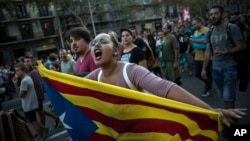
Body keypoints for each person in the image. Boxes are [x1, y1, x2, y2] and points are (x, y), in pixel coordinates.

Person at [85, 32, 246, 128]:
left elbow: (165, 87)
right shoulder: (95, 77)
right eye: (93, 43)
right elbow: (69, 88)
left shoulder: (131, 71)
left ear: (115, 51)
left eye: (103, 41)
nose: (96, 44)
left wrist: (210, 110)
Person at [201, 5, 245, 137]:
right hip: (216, 70)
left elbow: (241, 46)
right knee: (224, 97)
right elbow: (208, 51)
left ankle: (229, 126)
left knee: (228, 97)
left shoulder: (232, 28)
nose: (213, 16)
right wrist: (204, 68)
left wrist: (226, 51)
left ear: (222, 14)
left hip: (230, 68)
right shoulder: (210, 32)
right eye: (211, 14)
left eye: (215, 13)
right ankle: (232, 115)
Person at [12, 63, 49, 139]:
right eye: (16, 71)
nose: (16, 72)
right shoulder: (27, 78)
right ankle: (41, 133)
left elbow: (20, 95)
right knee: (32, 120)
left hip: (28, 105)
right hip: (30, 103)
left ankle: (43, 131)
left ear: (23, 70)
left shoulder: (24, 81)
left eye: (18, 70)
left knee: (33, 121)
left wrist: (15, 85)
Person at [24, 56, 60, 129]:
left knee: (40, 112)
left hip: (36, 96)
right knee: (40, 111)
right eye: (25, 61)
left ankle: (42, 128)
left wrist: (39, 97)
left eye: (28, 61)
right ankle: (55, 118)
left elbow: (38, 86)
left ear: (32, 62)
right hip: (31, 97)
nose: (27, 63)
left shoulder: (33, 72)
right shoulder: (27, 72)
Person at [190, 17, 213, 97]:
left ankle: (207, 88)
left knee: (206, 74)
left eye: (195, 24)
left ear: (200, 23)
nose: (193, 26)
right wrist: (194, 49)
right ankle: (208, 83)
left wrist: (193, 40)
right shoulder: (196, 31)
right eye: (192, 25)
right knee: (197, 73)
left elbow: (204, 40)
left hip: (205, 57)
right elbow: (197, 43)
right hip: (197, 57)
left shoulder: (207, 30)